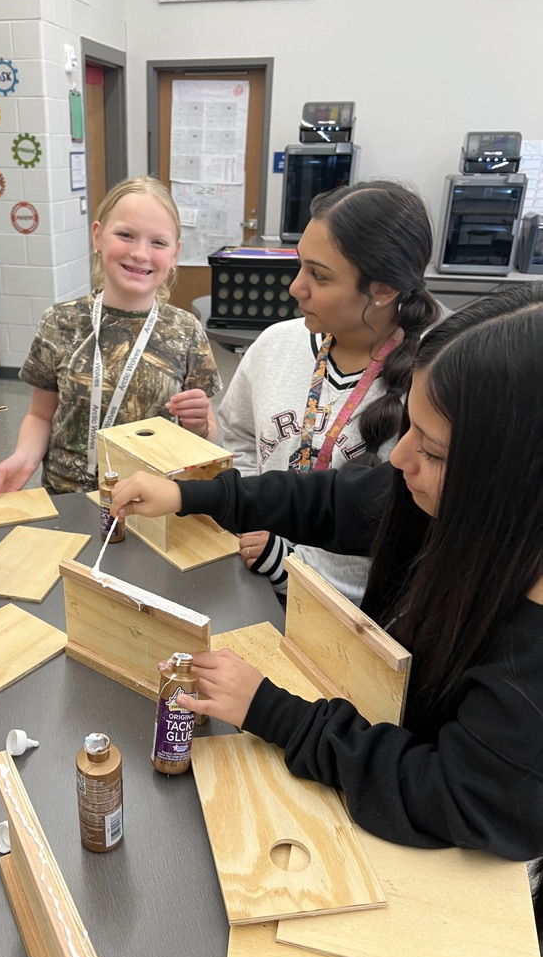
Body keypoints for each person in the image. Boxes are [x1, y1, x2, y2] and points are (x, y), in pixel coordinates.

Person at [109, 283, 543, 865]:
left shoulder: (531, 649)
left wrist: (273, 711)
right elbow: (330, 501)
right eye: (409, 427)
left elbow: (452, 796)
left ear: (518, 477)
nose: (400, 457)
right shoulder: (450, 502)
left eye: (434, 452)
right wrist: (191, 495)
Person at [218, 180, 441, 604]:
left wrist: (296, 567)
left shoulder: (432, 382)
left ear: (384, 289)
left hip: (360, 617)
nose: (295, 288)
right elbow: (240, 438)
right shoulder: (274, 345)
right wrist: (254, 522)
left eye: (319, 275)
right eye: (300, 265)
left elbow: (413, 537)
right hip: (255, 582)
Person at [0, 176, 222, 496]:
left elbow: (208, 434)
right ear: (98, 237)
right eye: (125, 235)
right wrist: (24, 457)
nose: (141, 254)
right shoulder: (60, 322)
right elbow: (39, 415)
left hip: (153, 503)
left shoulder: (185, 332)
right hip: (67, 498)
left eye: (158, 243)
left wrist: (198, 425)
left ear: (174, 255)